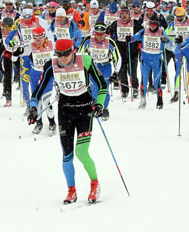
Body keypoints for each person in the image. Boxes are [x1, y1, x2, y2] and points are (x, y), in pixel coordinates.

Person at [30, 39, 107, 204]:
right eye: (59, 54)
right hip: (65, 111)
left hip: (85, 110)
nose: (63, 58)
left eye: (66, 54)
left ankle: (94, 183)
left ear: (73, 50)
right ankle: (71, 190)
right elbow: (39, 89)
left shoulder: (85, 60)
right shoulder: (51, 65)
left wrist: (100, 104)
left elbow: (102, 85)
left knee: (81, 152)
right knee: (67, 155)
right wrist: (33, 107)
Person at [79, 23, 121, 120]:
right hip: (92, 66)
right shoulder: (88, 40)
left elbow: (118, 58)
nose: (99, 36)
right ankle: (95, 106)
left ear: (105, 33)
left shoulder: (110, 42)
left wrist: (116, 72)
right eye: (97, 33)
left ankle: (105, 108)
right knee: (94, 88)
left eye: (101, 34)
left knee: (104, 87)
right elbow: (80, 54)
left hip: (105, 67)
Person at [130, 15, 169, 109]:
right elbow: (135, 37)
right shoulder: (144, 31)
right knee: (144, 80)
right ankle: (143, 101)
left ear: (158, 25)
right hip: (145, 60)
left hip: (157, 60)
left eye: (155, 24)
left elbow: (170, 43)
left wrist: (166, 40)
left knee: (156, 81)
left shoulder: (161, 32)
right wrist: (129, 38)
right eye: (151, 23)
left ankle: (160, 100)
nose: (152, 26)